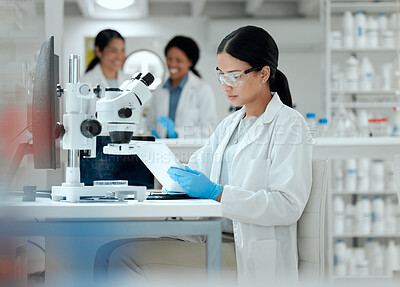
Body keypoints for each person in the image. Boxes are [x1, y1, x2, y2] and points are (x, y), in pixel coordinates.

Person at [106, 25, 312, 287]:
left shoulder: (289, 124)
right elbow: (195, 170)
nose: (226, 85)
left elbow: (287, 206)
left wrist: (218, 193)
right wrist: (171, 173)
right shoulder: (231, 124)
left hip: (246, 250)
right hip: (209, 234)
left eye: (234, 76)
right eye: (221, 75)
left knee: (122, 257)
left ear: (264, 74)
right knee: (108, 249)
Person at [144, 36, 217, 139]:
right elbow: (149, 123)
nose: (172, 64)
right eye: (169, 59)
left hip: (189, 151)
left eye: (178, 60)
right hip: (162, 149)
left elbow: (209, 130)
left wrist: (177, 133)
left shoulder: (202, 90)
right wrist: (152, 134)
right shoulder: (160, 90)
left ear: (190, 62)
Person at [80, 29, 130, 115]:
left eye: (122, 50)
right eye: (114, 51)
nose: (120, 56)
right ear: (98, 51)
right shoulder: (85, 82)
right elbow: (78, 119)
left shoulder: (129, 81)